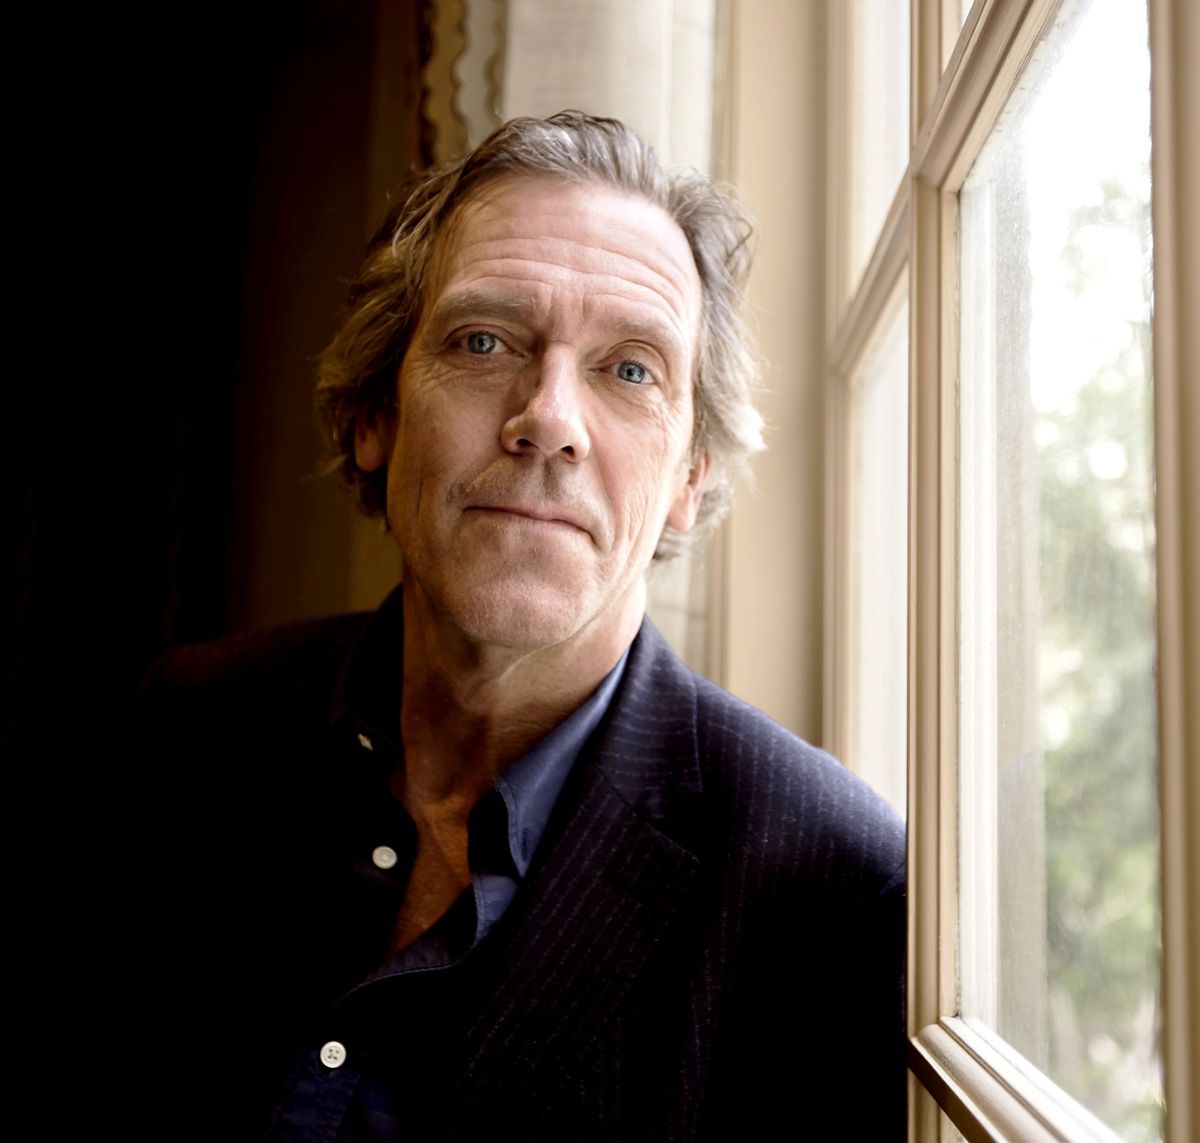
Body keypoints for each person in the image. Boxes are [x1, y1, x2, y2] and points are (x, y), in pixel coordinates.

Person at [134, 111, 906, 1140]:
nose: (547, 418)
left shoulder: (829, 885)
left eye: (631, 369)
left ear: (690, 476)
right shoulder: (184, 727)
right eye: (483, 340)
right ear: (373, 417)